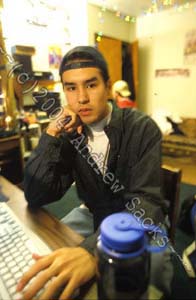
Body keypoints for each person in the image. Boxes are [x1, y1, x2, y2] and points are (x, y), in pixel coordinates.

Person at [17, 46, 173, 299]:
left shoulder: (141, 128)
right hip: (92, 214)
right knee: (46, 250)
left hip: (138, 219)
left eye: (91, 85)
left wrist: (91, 251)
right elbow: (36, 195)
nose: (81, 98)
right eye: (71, 88)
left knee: (148, 273)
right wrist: (52, 133)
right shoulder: (70, 133)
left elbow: (148, 203)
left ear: (108, 87)